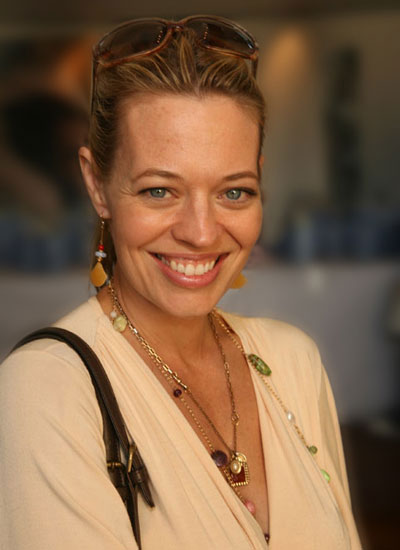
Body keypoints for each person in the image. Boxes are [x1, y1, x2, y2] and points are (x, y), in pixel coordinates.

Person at [0, 16, 361, 549]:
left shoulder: (292, 362)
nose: (201, 233)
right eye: (159, 191)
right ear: (97, 185)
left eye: (234, 192)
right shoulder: (45, 388)